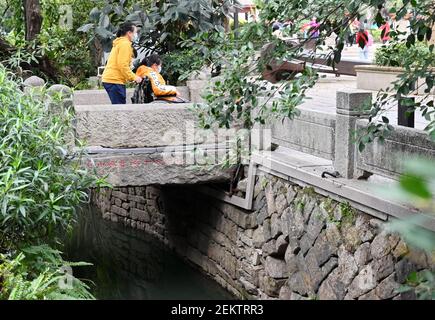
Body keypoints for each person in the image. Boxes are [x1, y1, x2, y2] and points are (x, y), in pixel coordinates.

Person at [102, 22, 142, 104]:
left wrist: (130, 77)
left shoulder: (120, 43)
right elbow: (122, 65)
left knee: (119, 107)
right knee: (119, 110)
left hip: (112, 79)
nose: (136, 34)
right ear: (129, 33)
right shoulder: (125, 44)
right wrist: (134, 77)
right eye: (135, 32)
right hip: (114, 80)